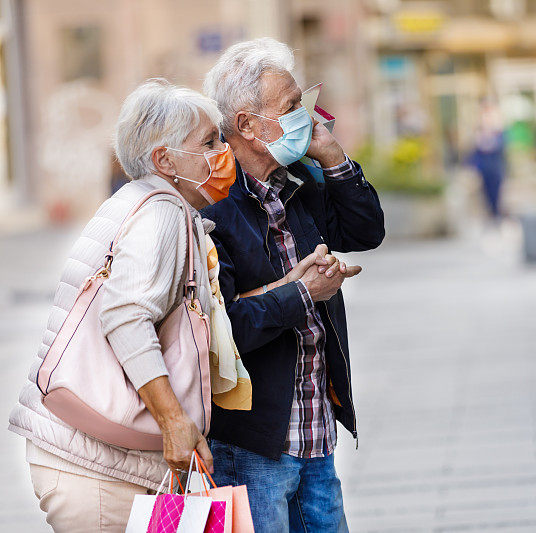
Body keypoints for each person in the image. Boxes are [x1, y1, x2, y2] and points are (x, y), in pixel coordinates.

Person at [6, 78, 325, 531]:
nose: (224, 153)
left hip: (99, 458)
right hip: (95, 469)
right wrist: (174, 420)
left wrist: (293, 286)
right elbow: (126, 315)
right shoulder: (161, 215)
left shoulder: (146, 203)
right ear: (164, 160)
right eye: (209, 142)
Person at [201, 38, 385, 532]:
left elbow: (366, 232)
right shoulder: (213, 211)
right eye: (291, 107)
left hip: (315, 429)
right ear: (247, 126)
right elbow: (224, 330)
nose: (306, 116)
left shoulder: (298, 181)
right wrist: (303, 292)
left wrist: (332, 155)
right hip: (254, 442)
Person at [469, 99, 506, 220]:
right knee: (486, 192)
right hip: (485, 165)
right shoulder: (479, 127)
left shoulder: (498, 127)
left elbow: (500, 145)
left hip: (495, 164)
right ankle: (491, 214)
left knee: (496, 191)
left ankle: (496, 214)